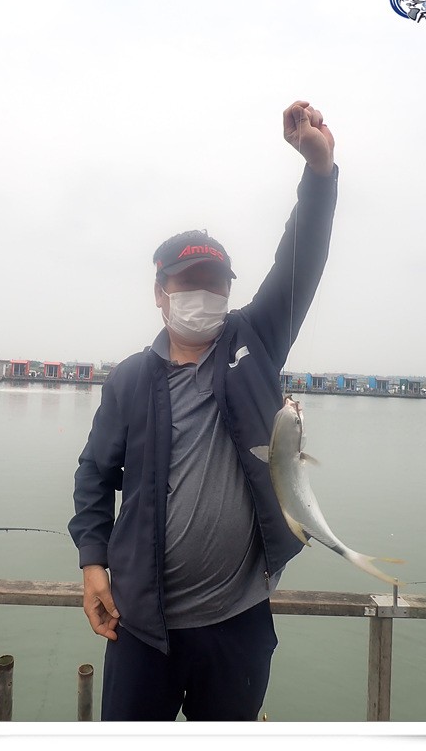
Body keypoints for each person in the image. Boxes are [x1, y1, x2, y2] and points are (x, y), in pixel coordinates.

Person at [68, 99, 338, 721]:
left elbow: (301, 260)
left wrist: (319, 171)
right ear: (160, 294)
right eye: (188, 284)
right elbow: (93, 477)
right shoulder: (129, 380)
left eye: (215, 283)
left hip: (238, 624)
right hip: (141, 627)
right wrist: (92, 562)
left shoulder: (255, 341)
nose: (203, 295)